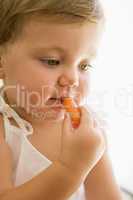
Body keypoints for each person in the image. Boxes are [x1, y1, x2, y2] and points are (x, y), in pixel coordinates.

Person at [0, 0, 123, 199]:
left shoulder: (87, 132)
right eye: (52, 61)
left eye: (84, 66)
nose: (73, 79)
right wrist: (71, 167)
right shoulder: (5, 133)